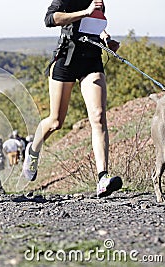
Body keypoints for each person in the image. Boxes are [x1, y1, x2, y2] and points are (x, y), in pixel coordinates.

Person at [23, 0, 122, 197]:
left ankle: (102, 178)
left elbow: (95, 26)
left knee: (98, 116)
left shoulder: (99, 1)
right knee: (56, 121)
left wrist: (105, 38)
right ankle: (33, 150)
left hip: (92, 61)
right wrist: (85, 12)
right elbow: (50, 19)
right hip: (66, 59)